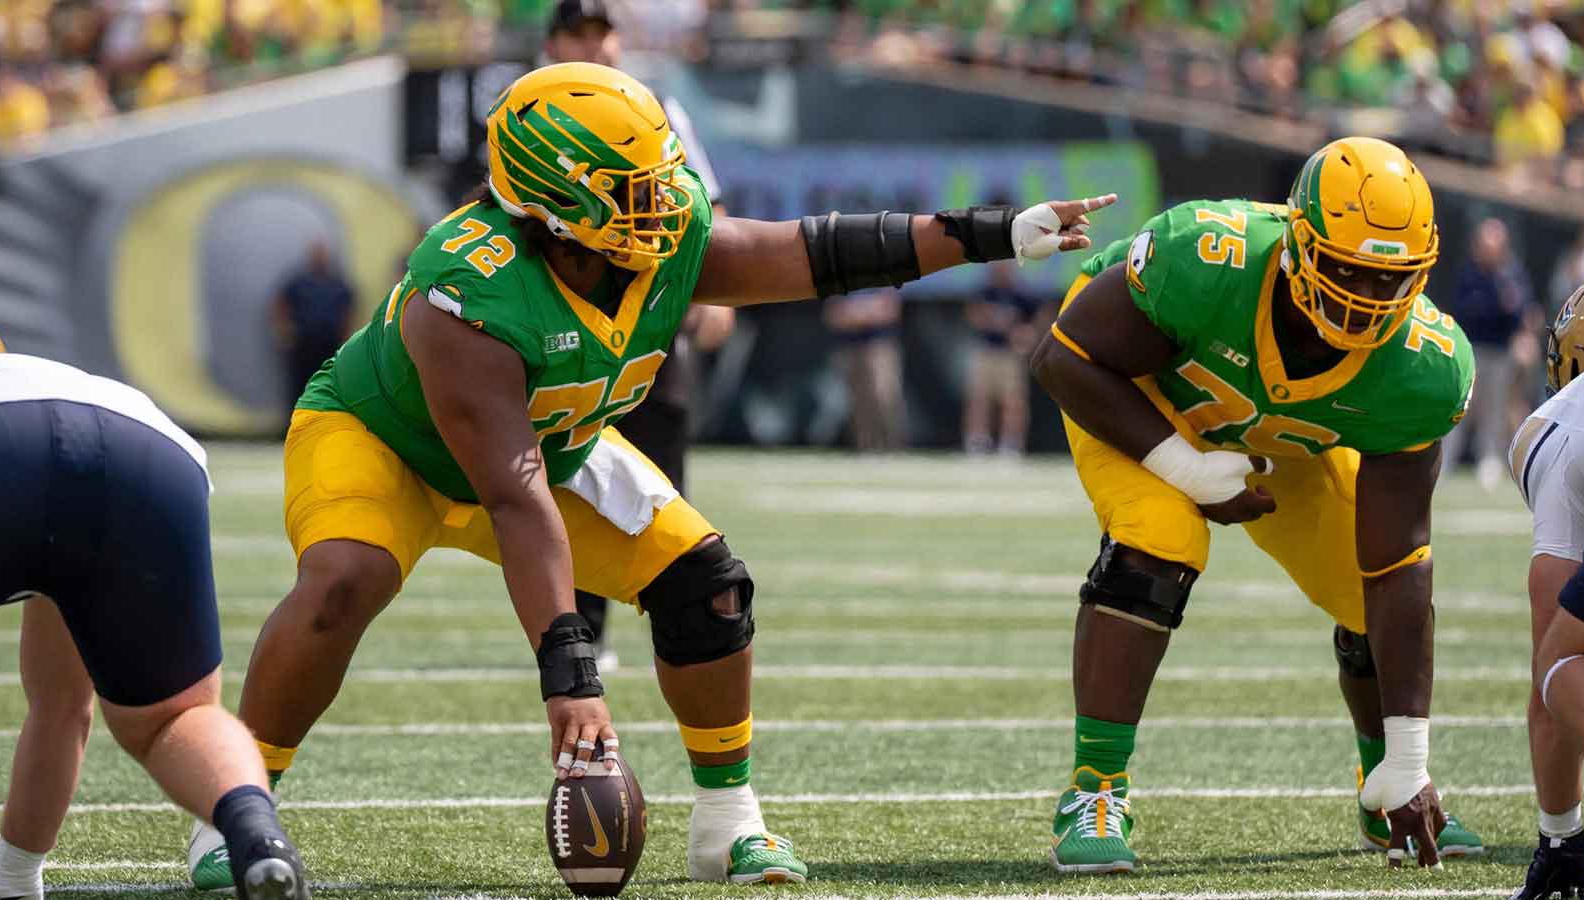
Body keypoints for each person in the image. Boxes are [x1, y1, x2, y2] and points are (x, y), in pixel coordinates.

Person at [187, 61, 1113, 890]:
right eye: (636, 188)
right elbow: (514, 497)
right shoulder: (467, 291)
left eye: (662, 177)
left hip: (553, 449)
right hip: (386, 443)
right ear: (554, 198)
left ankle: (726, 824)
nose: (664, 202)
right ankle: (234, 808)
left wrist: (992, 233)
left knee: (707, 588)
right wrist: (570, 671)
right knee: (347, 578)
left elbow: (809, 253)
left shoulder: (658, 243)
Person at [1030, 136, 1484, 874]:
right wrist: (1187, 468)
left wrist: (1410, 756)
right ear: (1302, 244)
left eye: (1388, 279)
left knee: (1368, 590)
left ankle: (1386, 788)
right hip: (1135, 398)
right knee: (1161, 535)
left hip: (1274, 434)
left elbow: (1399, 560)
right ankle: (1096, 789)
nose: (1366, 300)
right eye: (1346, 271)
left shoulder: (1424, 368)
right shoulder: (1209, 255)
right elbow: (1063, 359)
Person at [0, 328, 310, 900]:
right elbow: (62, 707)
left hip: (9, 439)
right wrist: (14, 877)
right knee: (171, 719)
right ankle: (254, 833)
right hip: (146, 445)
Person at [541, 0, 736, 673]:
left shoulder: (654, 109)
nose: (592, 47)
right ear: (552, 43)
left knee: (661, 468)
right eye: (577, 33)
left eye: (602, 34)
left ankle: (675, 615)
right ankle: (578, 629)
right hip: (562, 324)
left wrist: (715, 291)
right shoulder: (528, 112)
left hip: (649, 316)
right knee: (570, 472)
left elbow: (701, 200)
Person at [1508, 280, 1584, 900]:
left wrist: (1558, 835)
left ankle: (1562, 842)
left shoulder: (1560, 425)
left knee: (1560, 660)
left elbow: (1557, 638)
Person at [1443, 218, 1533, 491]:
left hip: (1500, 352)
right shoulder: (1468, 274)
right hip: (1470, 351)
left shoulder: (1512, 274)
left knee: (1494, 410)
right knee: (1460, 407)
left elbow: (1520, 312)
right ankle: (1446, 460)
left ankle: (1490, 461)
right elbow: (1461, 310)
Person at [963, 259, 1043, 455]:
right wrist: (993, 320)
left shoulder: (1021, 294)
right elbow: (973, 314)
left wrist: (1026, 334)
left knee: (1013, 400)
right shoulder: (985, 291)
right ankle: (977, 440)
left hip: (1010, 355)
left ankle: (1011, 443)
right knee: (979, 397)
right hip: (987, 350)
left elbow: (1039, 321)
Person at [272, 239, 357, 410]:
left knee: (327, 385)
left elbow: (348, 310)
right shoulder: (298, 282)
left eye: (323, 255)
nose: (320, 258)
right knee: (298, 387)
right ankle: (294, 425)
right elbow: (279, 304)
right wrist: (283, 331)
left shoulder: (337, 284)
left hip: (330, 344)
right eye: (317, 255)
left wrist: (346, 337)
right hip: (303, 344)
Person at [823, 288, 907, 452]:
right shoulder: (840, 276)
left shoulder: (882, 274)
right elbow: (832, 315)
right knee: (858, 400)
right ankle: (866, 448)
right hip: (849, 346)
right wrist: (867, 312)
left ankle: (894, 447)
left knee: (885, 395)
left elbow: (890, 310)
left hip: (880, 345)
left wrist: (854, 314)